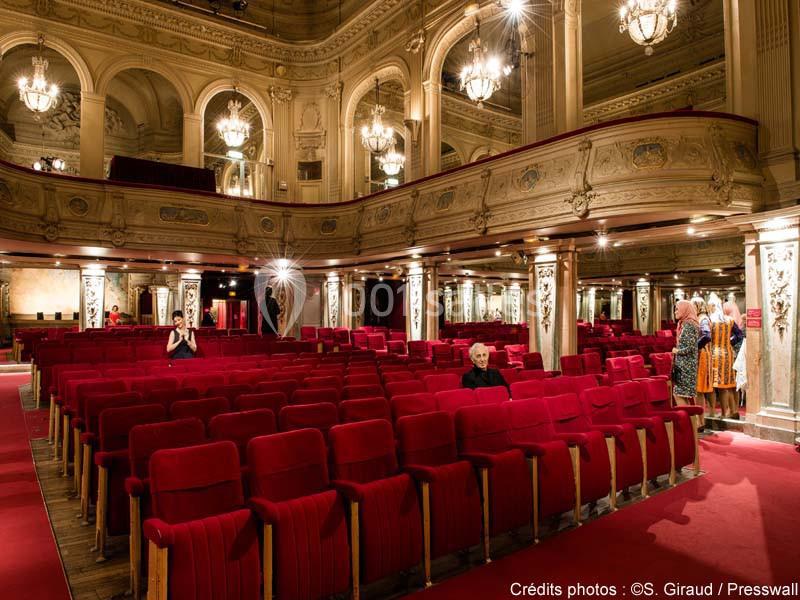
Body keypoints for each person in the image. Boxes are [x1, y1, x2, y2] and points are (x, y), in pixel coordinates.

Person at [708, 298, 743, 419]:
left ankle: (713, 411)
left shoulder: (710, 320)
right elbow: (739, 335)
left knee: (713, 385)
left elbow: (706, 337)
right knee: (727, 385)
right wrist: (729, 341)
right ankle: (729, 411)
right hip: (728, 353)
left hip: (714, 354)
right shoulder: (729, 320)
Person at [672, 300, 699, 407]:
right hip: (684, 365)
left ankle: (687, 422)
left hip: (686, 366)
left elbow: (690, 347)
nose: (675, 312)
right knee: (682, 395)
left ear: (684, 310)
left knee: (678, 394)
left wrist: (677, 351)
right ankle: (691, 422)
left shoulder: (689, 325)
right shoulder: (684, 324)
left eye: (677, 309)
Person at [690, 297, 713, 422]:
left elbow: (706, 335)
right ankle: (700, 420)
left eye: (693, 305)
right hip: (702, 353)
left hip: (702, 354)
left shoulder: (703, 318)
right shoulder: (700, 318)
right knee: (698, 390)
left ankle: (700, 421)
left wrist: (694, 346)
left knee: (699, 389)